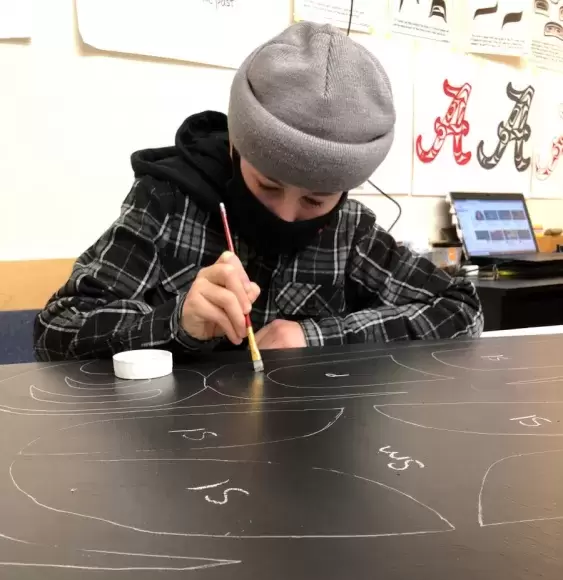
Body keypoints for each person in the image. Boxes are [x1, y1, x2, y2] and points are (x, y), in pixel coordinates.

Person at [34, 22, 483, 362]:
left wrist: (314, 336)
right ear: (235, 146)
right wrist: (176, 321)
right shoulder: (168, 202)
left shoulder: (350, 232)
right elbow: (56, 328)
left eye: (316, 200)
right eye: (268, 185)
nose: (287, 216)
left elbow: (463, 309)